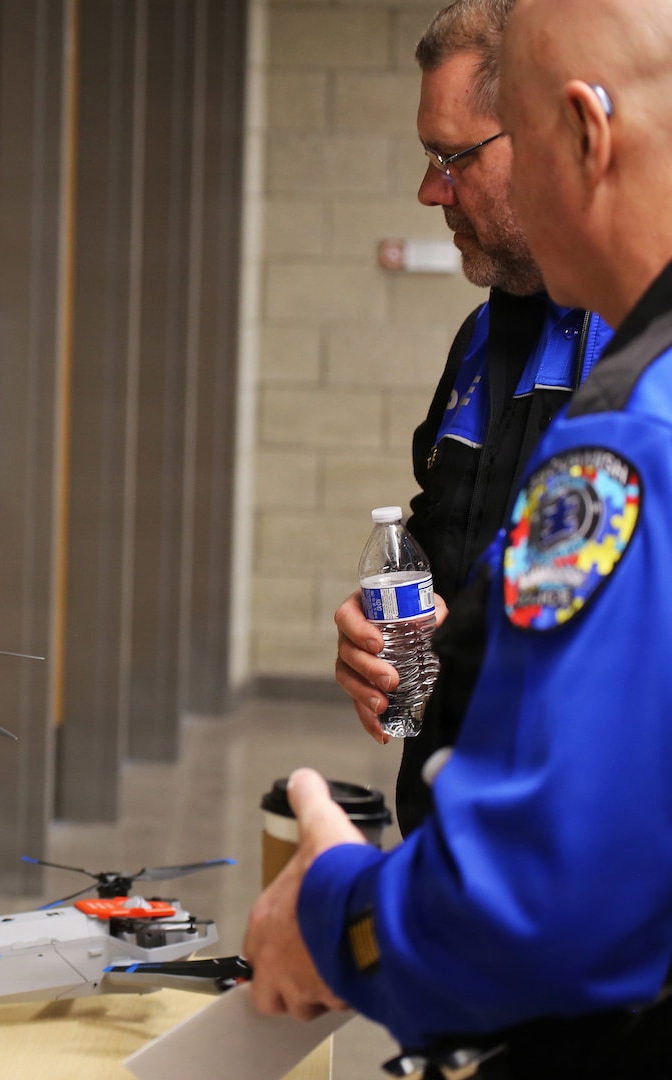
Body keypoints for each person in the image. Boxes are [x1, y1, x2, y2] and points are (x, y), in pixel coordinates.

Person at [247, 0, 672, 1073]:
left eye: (487, 151)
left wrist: (339, 914)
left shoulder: (634, 437)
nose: (436, 191)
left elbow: (545, 904)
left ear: (581, 133)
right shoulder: (497, 347)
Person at [331, 0, 611, 833]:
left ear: (559, 133)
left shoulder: (639, 350)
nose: (428, 191)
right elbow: (448, 532)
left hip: (570, 859)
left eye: (451, 158)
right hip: (448, 828)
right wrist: (380, 630)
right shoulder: (488, 330)